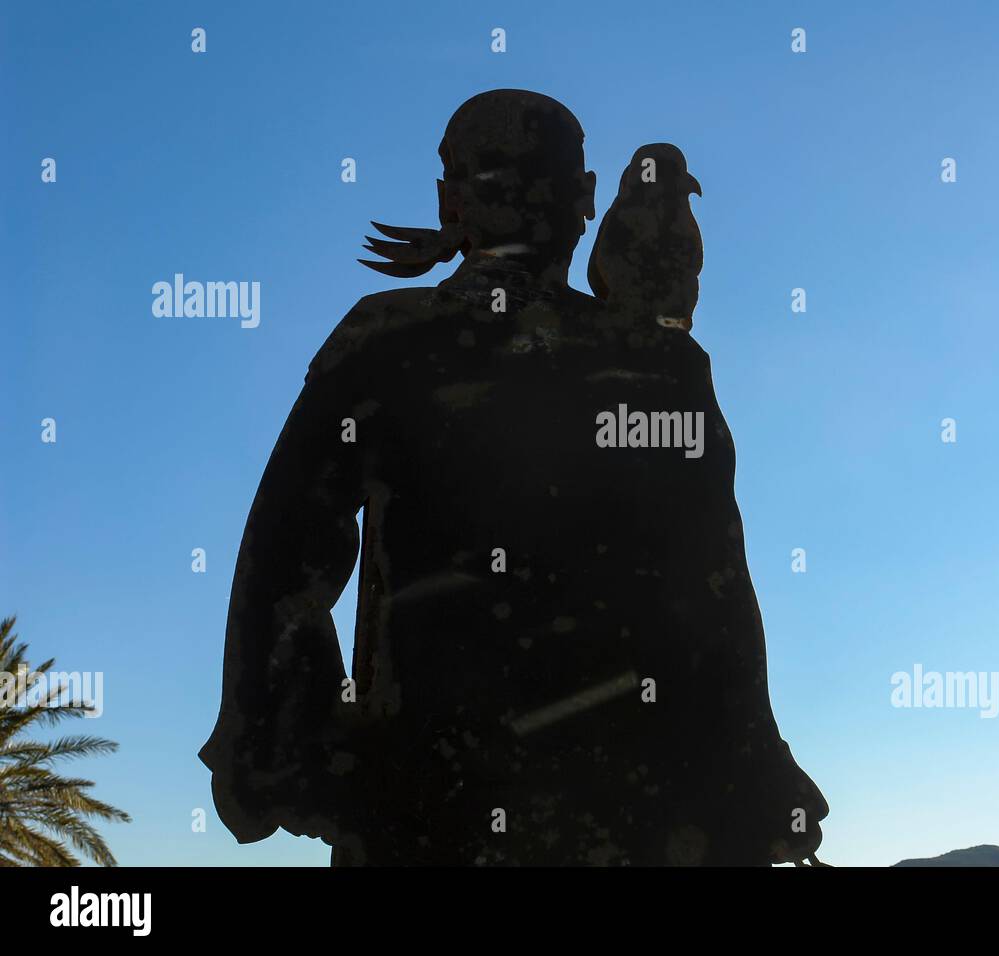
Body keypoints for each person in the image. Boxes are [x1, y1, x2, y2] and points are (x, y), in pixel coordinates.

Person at [199, 89, 827, 865]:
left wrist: (298, 758)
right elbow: (715, 593)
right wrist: (754, 784)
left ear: (451, 203)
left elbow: (281, 571)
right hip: (643, 823)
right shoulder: (663, 366)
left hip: (429, 821)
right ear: (587, 201)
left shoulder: (382, 342)